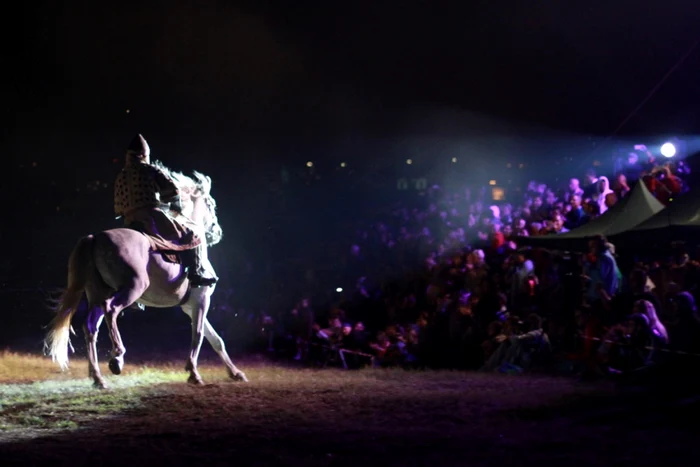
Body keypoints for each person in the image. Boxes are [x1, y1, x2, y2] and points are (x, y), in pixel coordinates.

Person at [113, 134, 217, 287]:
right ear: (144, 155)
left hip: (128, 221)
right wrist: (175, 209)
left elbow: (118, 208)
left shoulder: (120, 176)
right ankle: (196, 273)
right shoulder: (150, 170)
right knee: (193, 231)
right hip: (151, 216)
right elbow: (173, 191)